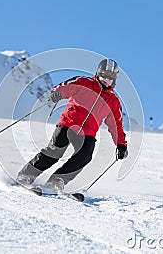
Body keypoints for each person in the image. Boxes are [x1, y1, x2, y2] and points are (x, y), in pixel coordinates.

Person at [16, 59, 128, 192]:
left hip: (88, 133)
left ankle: (57, 180)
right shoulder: (83, 82)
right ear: (98, 73)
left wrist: (121, 144)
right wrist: (58, 93)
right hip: (68, 124)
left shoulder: (113, 101)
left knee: (84, 157)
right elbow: (66, 87)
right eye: (103, 74)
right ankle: (25, 177)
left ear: (114, 79)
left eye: (109, 77)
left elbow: (116, 125)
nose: (105, 79)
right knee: (54, 152)